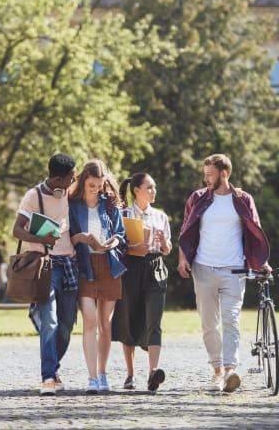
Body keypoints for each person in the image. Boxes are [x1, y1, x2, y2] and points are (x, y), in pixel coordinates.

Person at [177, 153, 270, 393]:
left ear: (224, 174)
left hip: (234, 270)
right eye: (205, 174)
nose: (205, 178)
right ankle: (217, 370)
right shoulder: (197, 198)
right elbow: (186, 230)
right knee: (209, 324)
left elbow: (255, 231)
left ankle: (230, 371)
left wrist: (261, 262)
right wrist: (182, 259)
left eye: (210, 174)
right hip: (203, 268)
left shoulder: (243, 200)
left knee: (231, 320)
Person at [12, 153, 78, 396]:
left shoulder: (70, 192)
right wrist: (41, 239)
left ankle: (54, 367)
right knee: (49, 321)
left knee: (65, 326)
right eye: (71, 177)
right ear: (58, 178)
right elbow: (17, 230)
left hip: (69, 264)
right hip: (45, 265)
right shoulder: (33, 196)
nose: (74, 180)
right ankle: (48, 377)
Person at [68, 159, 126, 394]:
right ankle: (92, 377)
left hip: (109, 265)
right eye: (92, 185)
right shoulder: (72, 205)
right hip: (84, 267)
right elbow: (66, 237)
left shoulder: (110, 204)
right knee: (90, 321)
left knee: (105, 323)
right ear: (83, 181)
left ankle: (103, 373)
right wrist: (78, 238)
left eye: (100, 185)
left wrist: (114, 241)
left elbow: (121, 234)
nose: (96, 190)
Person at [112, 173, 172, 393]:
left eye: (154, 187)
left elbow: (168, 250)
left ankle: (153, 373)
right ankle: (130, 374)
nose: (154, 191)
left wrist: (163, 242)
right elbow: (117, 246)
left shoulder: (161, 217)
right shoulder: (123, 215)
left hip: (156, 267)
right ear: (136, 190)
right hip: (131, 269)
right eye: (149, 187)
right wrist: (132, 248)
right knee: (128, 318)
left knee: (154, 321)